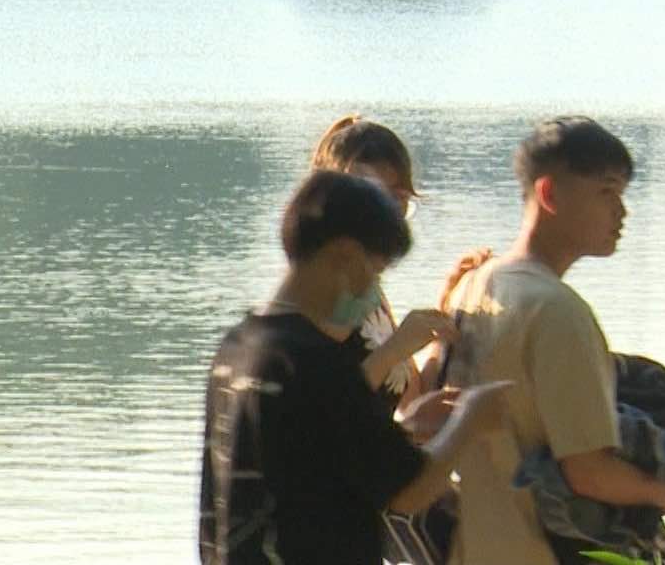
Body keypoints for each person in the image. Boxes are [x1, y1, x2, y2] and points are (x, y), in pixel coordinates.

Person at [199, 170, 511, 565]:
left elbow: (308, 457)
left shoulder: (237, 347)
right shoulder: (318, 363)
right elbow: (409, 490)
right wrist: (471, 419)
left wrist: (406, 427)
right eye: (375, 271)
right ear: (345, 254)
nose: (374, 291)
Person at [439, 117, 665, 565]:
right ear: (549, 194)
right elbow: (589, 472)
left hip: (474, 545)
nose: (622, 212)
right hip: (537, 551)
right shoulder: (557, 311)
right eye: (606, 192)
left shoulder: (474, 284)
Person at [310, 115, 457, 413]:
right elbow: (320, 408)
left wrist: (444, 326)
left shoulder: (369, 291)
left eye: (398, 201)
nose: (384, 218)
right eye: (370, 198)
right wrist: (397, 347)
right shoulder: (319, 294)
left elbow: (411, 403)